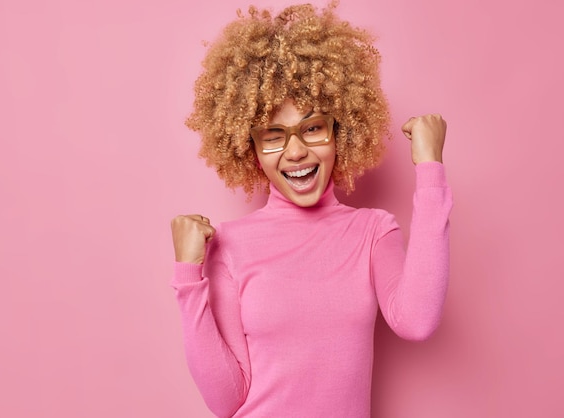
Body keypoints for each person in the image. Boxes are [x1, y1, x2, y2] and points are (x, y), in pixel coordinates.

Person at [170, 3, 452, 417]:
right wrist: (187, 279)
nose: (296, 151)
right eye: (273, 135)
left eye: (313, 127)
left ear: (340, 130)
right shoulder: (228, 245)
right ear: (251, 148)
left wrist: (430, 171)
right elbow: (226, 399)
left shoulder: (372, 231)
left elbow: (418, 320)